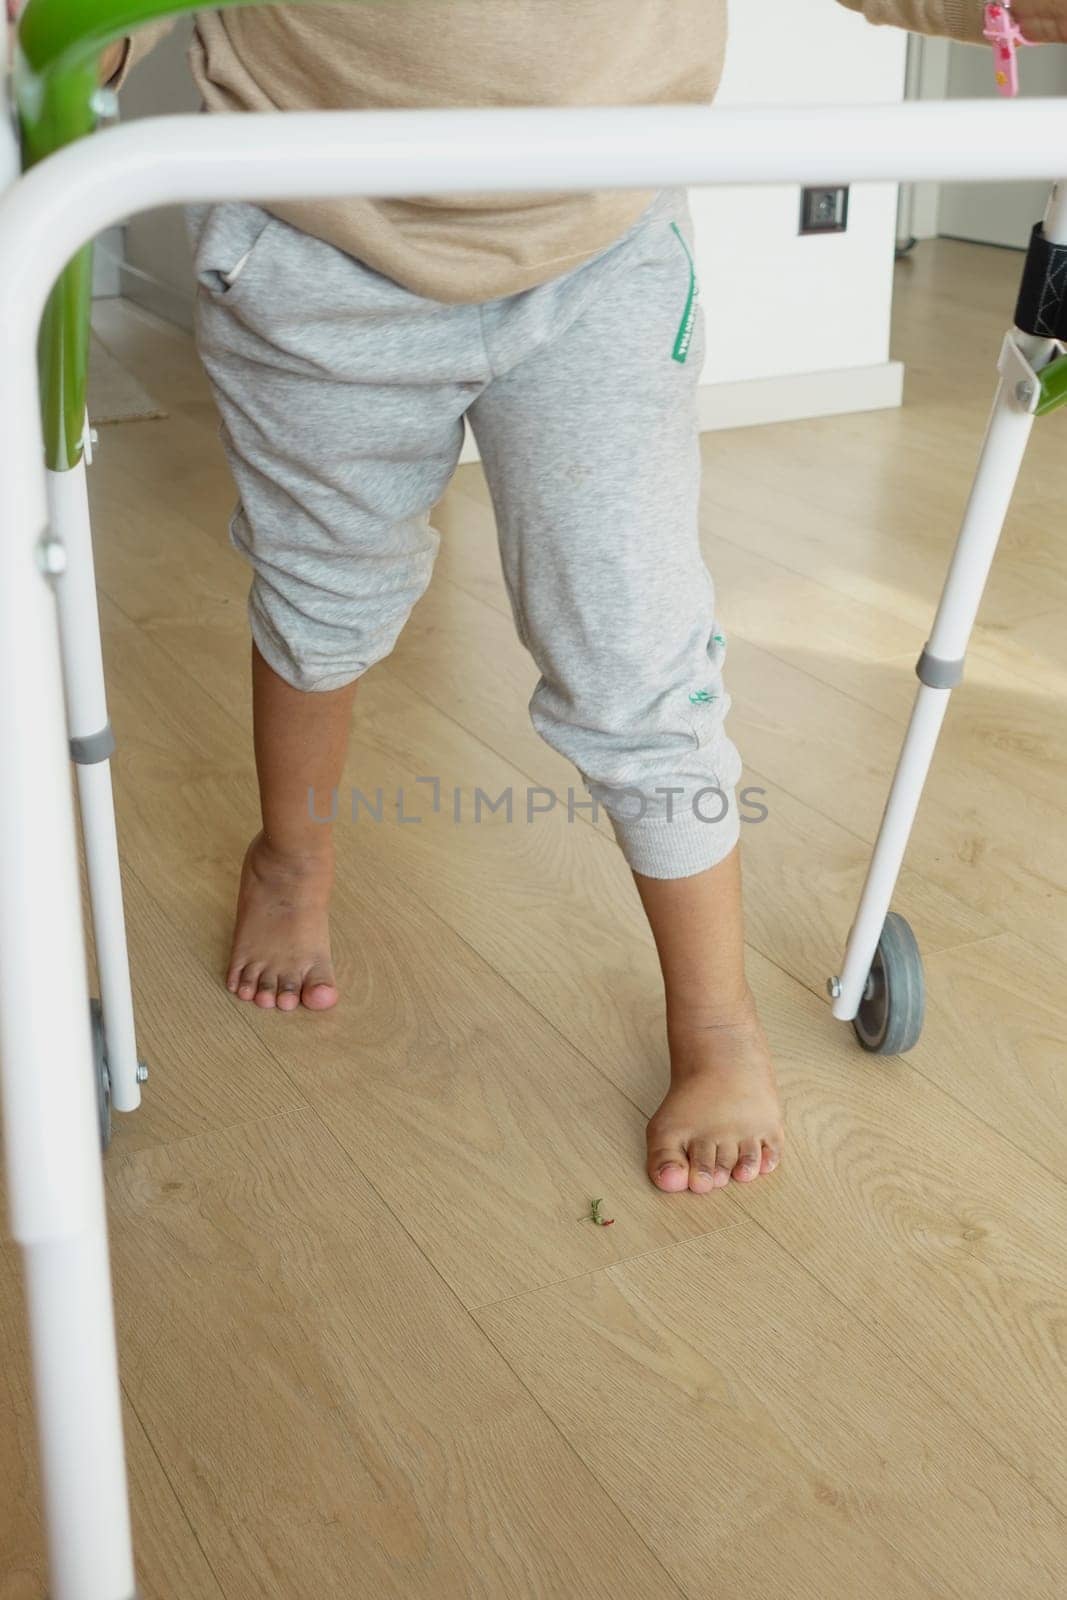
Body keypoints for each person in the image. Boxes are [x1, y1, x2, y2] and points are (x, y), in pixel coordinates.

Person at [25, 0, 1067, 1195]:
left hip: (598, 244)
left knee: (632, 642)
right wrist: (64, 48)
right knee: (323, 591)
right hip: (309, 240)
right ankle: (289, 861)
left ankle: (715, 1019)